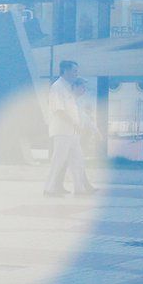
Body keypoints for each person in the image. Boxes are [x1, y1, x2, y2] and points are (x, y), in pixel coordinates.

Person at [42, 60, 90, 197]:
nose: (76, 73)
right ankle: (49, 189)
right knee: (58, 160)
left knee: (78, 160)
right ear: (65, 71)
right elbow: (59, 110)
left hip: (72, 132)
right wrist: (74, 123)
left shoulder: (68, 87)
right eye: (74, 71)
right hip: (62, 131)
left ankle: (79, 189)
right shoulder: (57, 87)